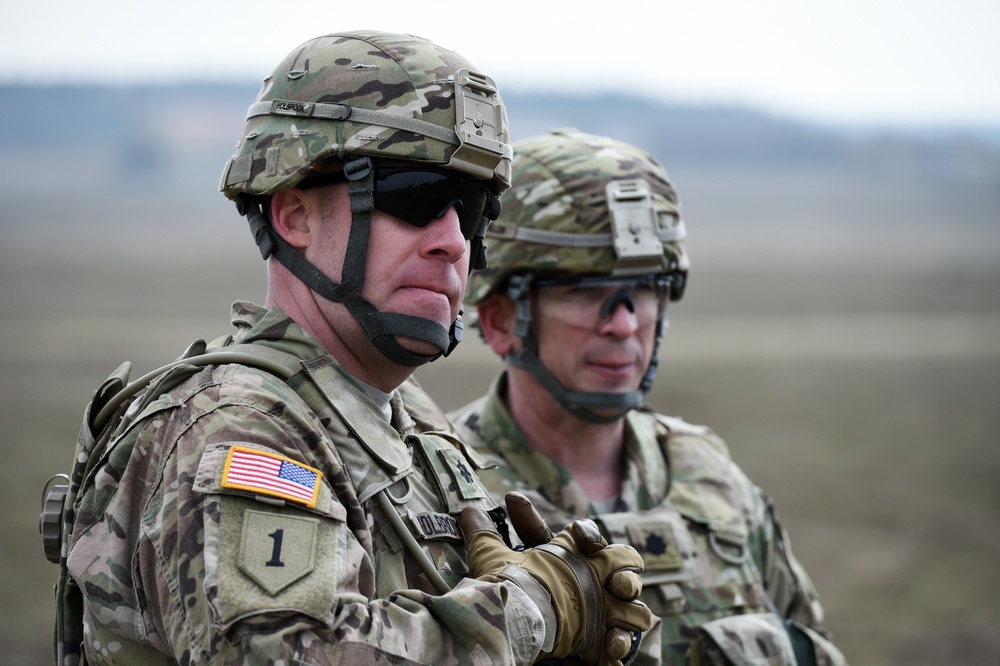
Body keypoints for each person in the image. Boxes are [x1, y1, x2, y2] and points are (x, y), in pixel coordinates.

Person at [59, 34, 652, 665]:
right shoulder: (238, 431)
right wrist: (530, 612)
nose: (451, 241)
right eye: (415, 196)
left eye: (472, 210)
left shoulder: (409, 421)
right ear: (294, 216)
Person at [446, 129, 848, 665]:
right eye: (585, 291)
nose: (624, 322)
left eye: (643, 289)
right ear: (499, 321)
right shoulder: (442, 491)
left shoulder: (713, 479)